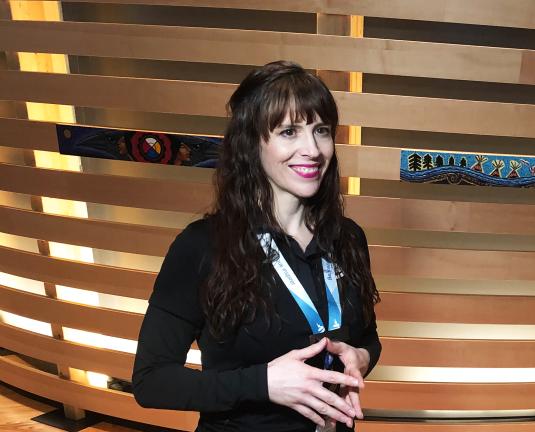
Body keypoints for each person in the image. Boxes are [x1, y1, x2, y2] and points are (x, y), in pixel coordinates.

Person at [132, 61, 381, 432]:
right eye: (289, 132)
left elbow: (368, 338)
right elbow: (151, 381)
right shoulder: (202, 246)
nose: (311, 149)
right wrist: (262, 383)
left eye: (321, 131)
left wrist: (360, 357)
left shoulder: (348, 238)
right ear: (252, 143)